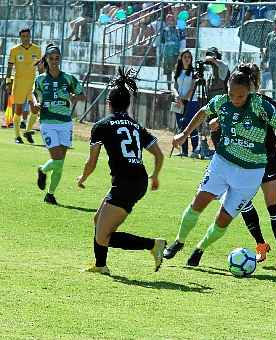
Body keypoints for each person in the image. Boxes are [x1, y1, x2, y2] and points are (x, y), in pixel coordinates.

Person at [162, 63, 276, 267]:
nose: (235, 100)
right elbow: (203, 112)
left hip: (251, 174)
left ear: (249, 92)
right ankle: (179, 241)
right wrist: (184, 134)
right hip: (222, 163)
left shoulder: (259, 105)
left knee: (223, 219)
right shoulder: (221, 102)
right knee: (199, 202)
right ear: (227, 89)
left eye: (240, 96)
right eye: (232, 95)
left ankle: (199, 249)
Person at [210, 63, 276, 270]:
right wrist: (216, 125)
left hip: (268, 159)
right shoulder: (230, 103)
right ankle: (261, 244)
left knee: (273, 207)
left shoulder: (264, 103)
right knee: (244, 204)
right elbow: (222, 121)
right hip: (243, 162)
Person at [77, 67, 166, 275]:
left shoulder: (101, 126)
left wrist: (83, 177)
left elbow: (92, 162)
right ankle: (101, 266)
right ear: (128, 105)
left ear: (109, 104)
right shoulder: (136, 126)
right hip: (138, 180)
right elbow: (159, 155)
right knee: (98, 220)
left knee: (103, 235)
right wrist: (155, 176)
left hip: (126, 183)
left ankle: (153, 245)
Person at [32, 44, 86, 205]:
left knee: (60, 164)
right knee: (56, 160)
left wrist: (74, 96)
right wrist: (35, 103)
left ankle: (50, 194)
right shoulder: (40, 79)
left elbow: (81, 95)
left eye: (57, 58)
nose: (54, 61)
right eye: (51, 58)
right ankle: (42, 170)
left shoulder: (68, 78)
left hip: (65, 124)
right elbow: (34, 94)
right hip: (48, 123)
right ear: (46, 60)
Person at [4, 28, 41, 144]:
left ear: (30, 37)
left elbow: (40, 67)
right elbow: (10, 67)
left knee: (35, 109)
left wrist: (41, 81)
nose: (25, 38)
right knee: (18, 111)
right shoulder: (14, 50)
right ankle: (17, 136)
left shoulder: (37, 49)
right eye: (23, 36)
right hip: (19, 84)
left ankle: (28, 131)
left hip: (32, 84)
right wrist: (8, 81)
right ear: (20, 37)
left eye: (27, 36)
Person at [172, 50, 199, 157]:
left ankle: (195, 150)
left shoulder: (194, 72)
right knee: (181, 126)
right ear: (181, 58)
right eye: (185, 57)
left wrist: (183, 99)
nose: (187, 59)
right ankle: (184, 151)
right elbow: (174, 86)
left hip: (191, 102)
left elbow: (192, 88)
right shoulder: (177, 71)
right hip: (179, 102)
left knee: (191, 126)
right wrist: (177, 96)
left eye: (189, 57)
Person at [160, 14, 186, 88]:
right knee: (168, 72)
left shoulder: (178, 30)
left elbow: (182, 41)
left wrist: (181, 53)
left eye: (171, 20)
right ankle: (168, 87)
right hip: (167, 54)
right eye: (168, 20)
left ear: (174, 21)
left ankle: (176, 87)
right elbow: (162, 43)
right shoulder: (164, 31)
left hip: (176, 54)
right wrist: (162, 54)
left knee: (177, 71)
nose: (170, 22)